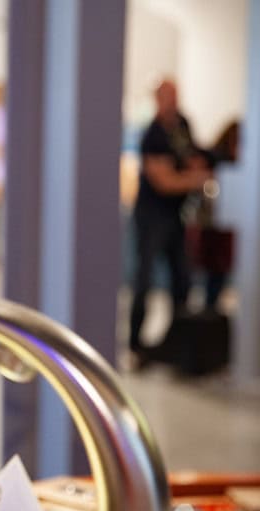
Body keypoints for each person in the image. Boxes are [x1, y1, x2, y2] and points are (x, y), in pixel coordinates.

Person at [129, 79, 211, 360]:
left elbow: (193, 158)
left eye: (174, 96)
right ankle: (135, 345)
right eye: (166, 97)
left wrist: (195, 169)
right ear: (158, 99)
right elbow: (163, 181)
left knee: (182, 279)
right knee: (144, 281)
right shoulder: (152, 134)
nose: (171, 102)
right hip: (151, 216)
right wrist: (195, 179)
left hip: (176, 215)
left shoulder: (182, 126)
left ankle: (176, 343)